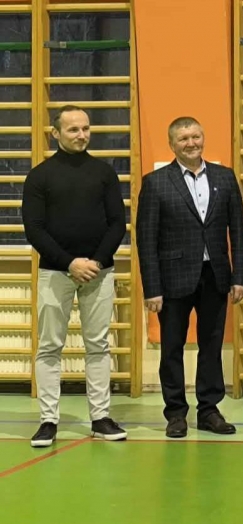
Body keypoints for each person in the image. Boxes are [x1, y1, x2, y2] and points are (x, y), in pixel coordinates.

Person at [22, 105, 128, 448]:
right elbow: (34, 229)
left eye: (85, 128)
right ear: (56, 133)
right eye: (73, 130)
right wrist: (70, 263)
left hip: (99, 272)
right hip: (55, 273)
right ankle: (48, 421)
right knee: (49, 346)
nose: (82, 135)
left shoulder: (104, 173)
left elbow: (117, 223)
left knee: (98, 345)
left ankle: (100, 418)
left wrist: (95, 262)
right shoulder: (39, 176)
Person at [137, 116, 243, 438]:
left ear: (203, 138)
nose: (191, 143)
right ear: (172, 144)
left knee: (211, 345)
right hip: (172, 279)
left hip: (216, 275)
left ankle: (209, 410)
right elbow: (146, 239)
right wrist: (152, 288)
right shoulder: (156, 182)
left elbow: (238, 231)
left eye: (196, 136)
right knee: (171, 347)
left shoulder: (225, 178)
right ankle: (175, 413)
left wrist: (239, 276)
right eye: (183, 139)